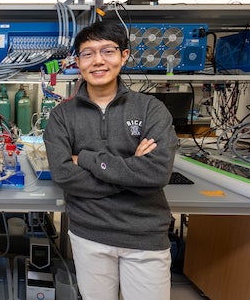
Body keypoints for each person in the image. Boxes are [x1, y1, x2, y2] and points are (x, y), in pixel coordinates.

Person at [43, 21, 178, 300]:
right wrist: (131, 174)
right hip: (89, 235)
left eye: (108, 51)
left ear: (124, 56)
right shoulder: (62, 117)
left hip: (145, 236)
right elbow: (64, 175)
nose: (98, 61)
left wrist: (89, 159)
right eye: (88, 53)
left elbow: (155, 175)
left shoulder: (151, 109)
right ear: (78, 61)